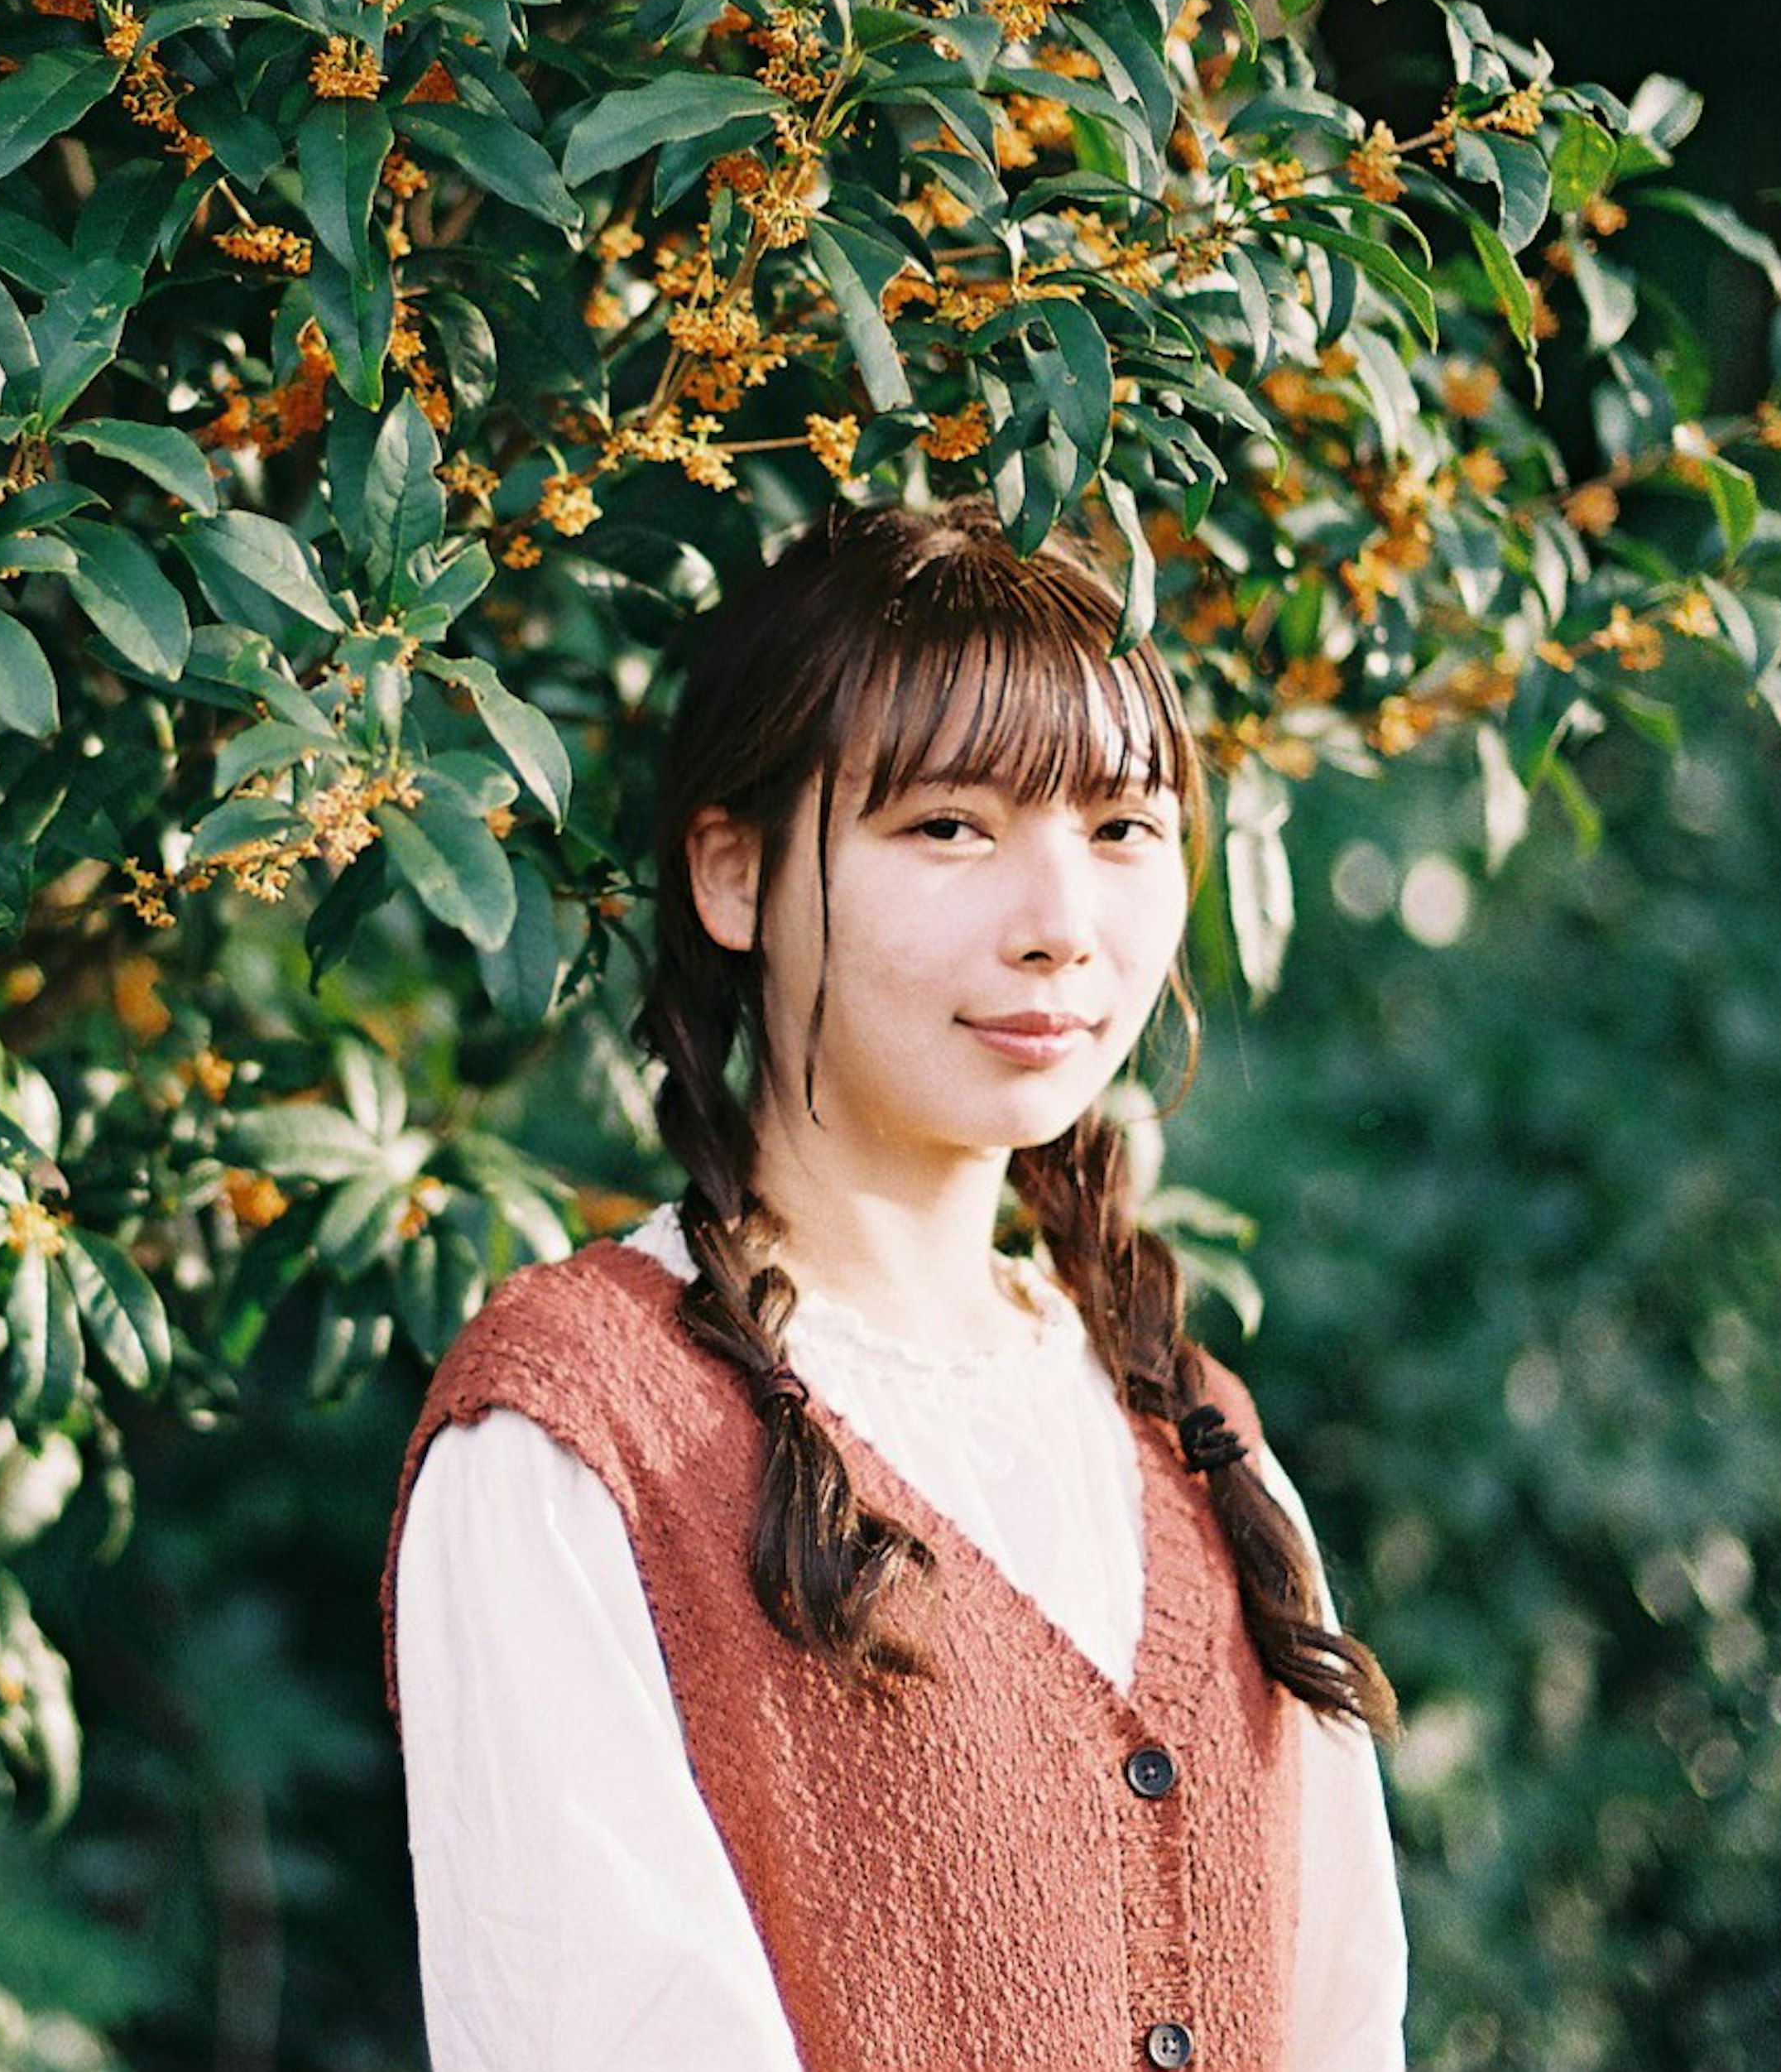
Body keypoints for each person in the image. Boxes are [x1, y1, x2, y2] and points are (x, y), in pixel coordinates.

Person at [381, 501, 1409, 2072]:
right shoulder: (579, 1436)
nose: (1062, 926)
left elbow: (1350, 2027)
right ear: (734, 875)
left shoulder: (1192, 1430)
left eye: (1122, 830)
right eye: (949, 826)